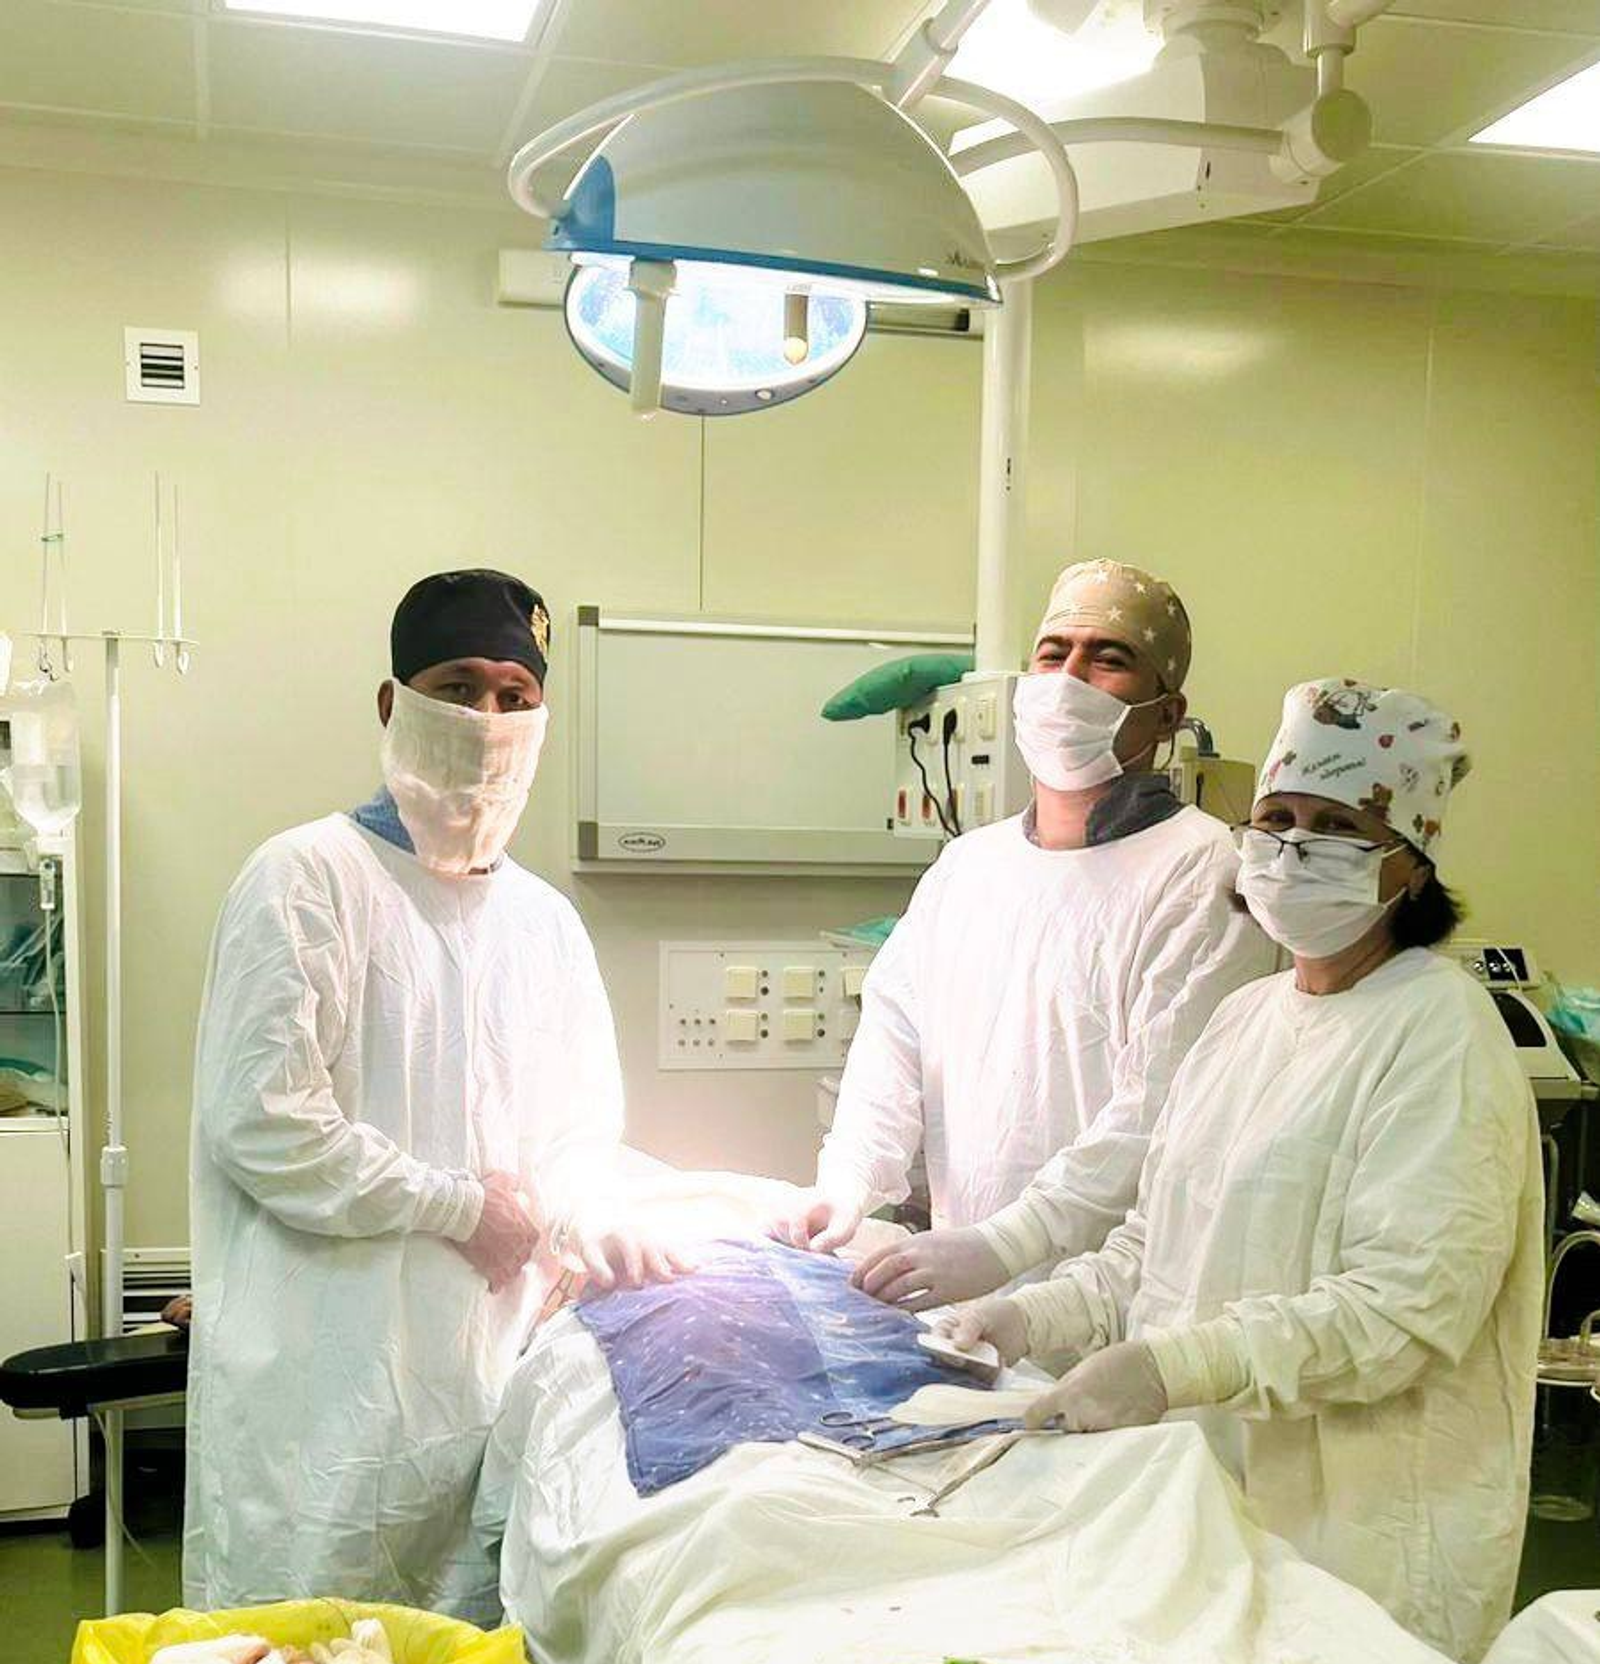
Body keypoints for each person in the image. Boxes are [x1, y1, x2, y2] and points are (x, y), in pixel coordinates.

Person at [943, 679, 1543, 1662]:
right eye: (1276, 817)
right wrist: (1027, 1317)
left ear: (1407, 863)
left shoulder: (1441, 1031)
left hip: (1356, 1546)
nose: (1294, 846)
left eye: (1337, 826)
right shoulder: (1245, 1019)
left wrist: (1171, 1368)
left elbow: (1399, 1315)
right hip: (1197, 1508)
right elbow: (1156, 1247)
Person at [184, 570, 683, 1613]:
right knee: (315, 1626)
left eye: (514, 696)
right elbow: (264, 1122)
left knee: (463, 1622)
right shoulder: (307, 878)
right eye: (457, 688)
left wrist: (588, 1219)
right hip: (322, 1401)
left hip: (486, 1387)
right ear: (392, 703)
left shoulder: (544, 924)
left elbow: (578, 1130)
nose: (486, 720)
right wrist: (459, 1206)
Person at [776, 560, 1274, 1305]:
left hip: (1112, 1301)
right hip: (963, 1288)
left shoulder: (1201, 871)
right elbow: (895, 1038)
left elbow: (1158, 1110)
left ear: (1167, 715)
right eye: (1052, 653)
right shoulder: (969, 867)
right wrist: (847, 1179)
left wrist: (1005, 1245)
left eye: (1108, 659)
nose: (1069, 679)